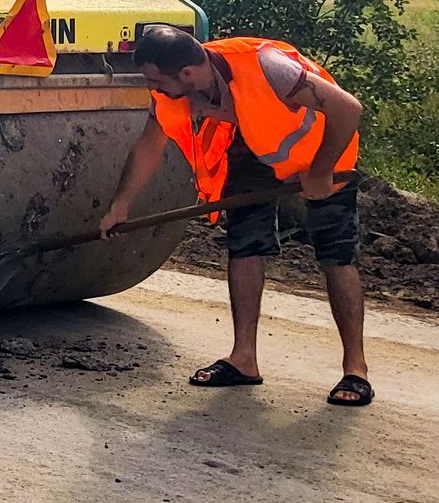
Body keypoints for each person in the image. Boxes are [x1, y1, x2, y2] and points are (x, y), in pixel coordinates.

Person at [101, 25, 371, 407]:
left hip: (323, 156)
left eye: (156, 80)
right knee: (244, 244)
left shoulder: (267, 66)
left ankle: (355, 369)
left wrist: (321, 170)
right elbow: (149, 143)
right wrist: (120, 204)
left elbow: (348, 108)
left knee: (336, 253)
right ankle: (243, 359)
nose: (154, 88)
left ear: (187, 74)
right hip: (254, 144)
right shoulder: (177, 84)